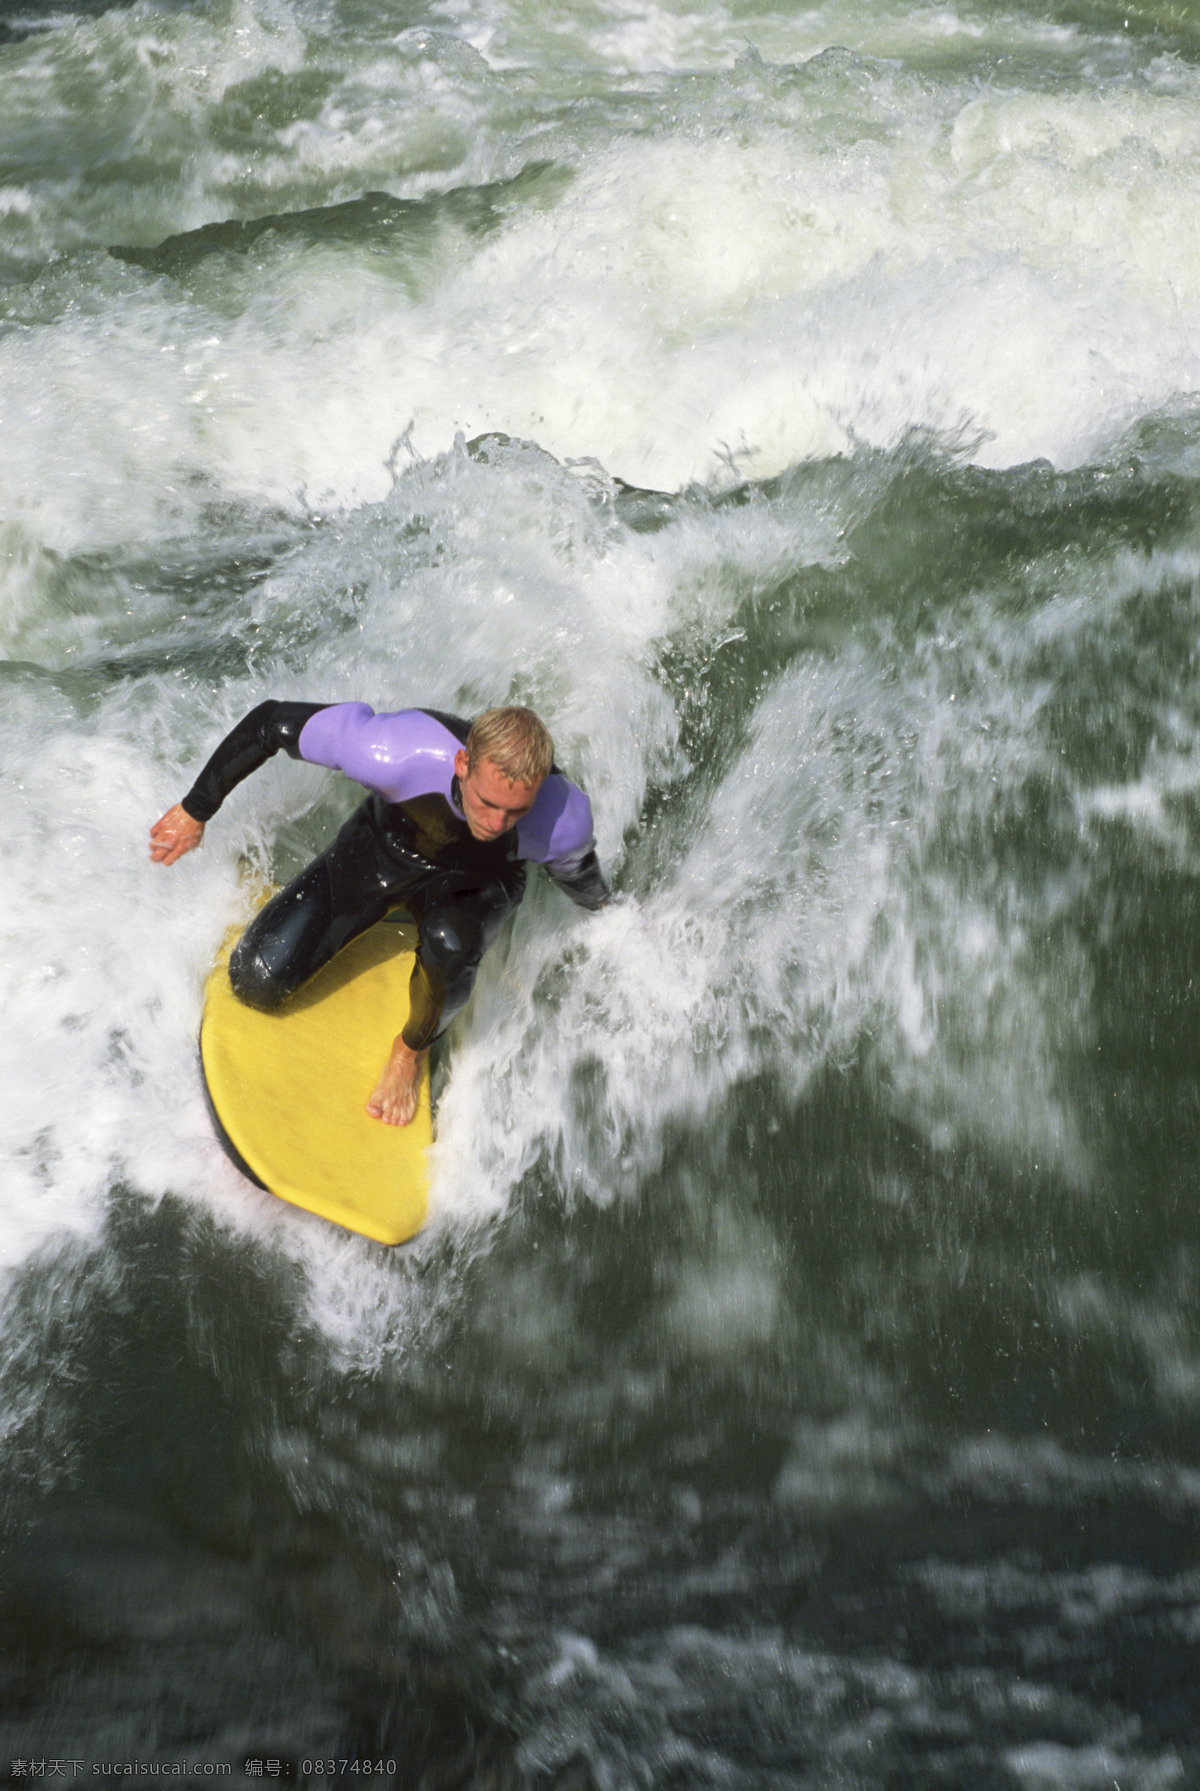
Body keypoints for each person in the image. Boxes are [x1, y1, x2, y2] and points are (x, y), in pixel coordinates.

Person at [150, 701, 609, 1126]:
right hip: (384, 851)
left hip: (478, 883)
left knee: (451, 942)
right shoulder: (394, 749)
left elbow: (582, 882)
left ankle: (410, 1053)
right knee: (255, 981)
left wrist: (611, 921)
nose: (495, 824)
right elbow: (270, 722)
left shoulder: (561, 819)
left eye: (516, 812)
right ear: (463, 765)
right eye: (487, 802)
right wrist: (195, 809)